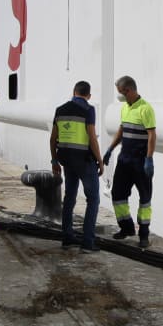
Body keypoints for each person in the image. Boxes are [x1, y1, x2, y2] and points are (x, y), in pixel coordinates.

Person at [50, 81, 104, 253]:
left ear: (74, 92)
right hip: (85, 161)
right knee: (93, 199)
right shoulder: (89, 109)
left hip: (66, 161)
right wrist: (100, 160)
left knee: (70, 197)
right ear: (89, 95)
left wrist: (54, 161)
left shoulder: (60, 109)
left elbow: (53, 138)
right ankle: (87, 243)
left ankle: (67, 238)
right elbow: (92, 138)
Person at [102, 76, 156, 248]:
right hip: (124, 160)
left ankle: (144, 235)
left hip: (140, 161)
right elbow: (122, 129)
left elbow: (152, 135)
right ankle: (126, 228)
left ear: (129, 90)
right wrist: (110, 149)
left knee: (145, 199)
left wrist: (149, 158)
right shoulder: (125, 107)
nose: (121, 96)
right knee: (118, 194)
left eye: (122, 93)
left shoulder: (145, 109)